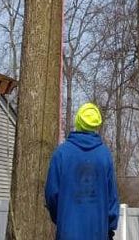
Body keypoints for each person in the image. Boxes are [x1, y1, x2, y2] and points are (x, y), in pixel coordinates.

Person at [45, 102, 120, 240]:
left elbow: (51, 195)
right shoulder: (104, 155)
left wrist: (61, 218)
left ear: (77, 121)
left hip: (67, 232)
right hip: (98, 233)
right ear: (96, 125)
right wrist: (109, 227)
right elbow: (112, 199)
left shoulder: (61, 153)